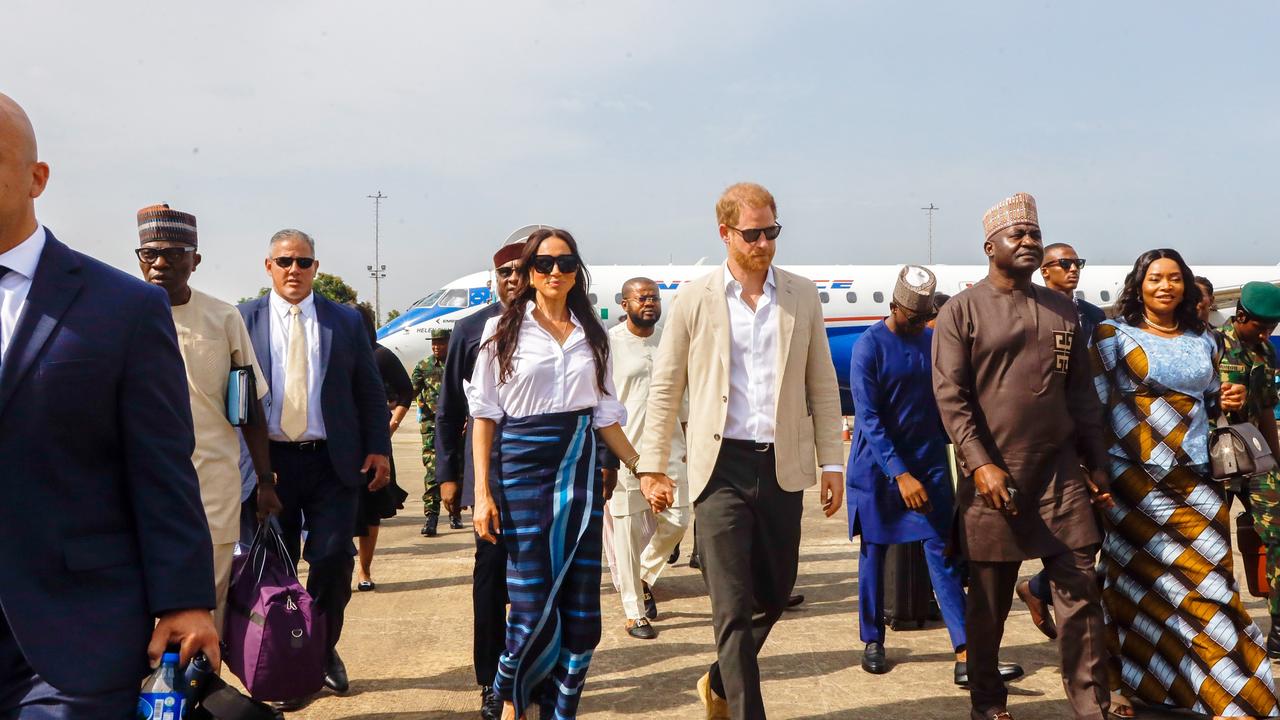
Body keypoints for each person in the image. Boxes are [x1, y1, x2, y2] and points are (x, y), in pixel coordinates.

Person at [0, 92, 219, 717]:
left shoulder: (120, 308)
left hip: (73, 630)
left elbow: (161, 466)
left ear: (37, 177)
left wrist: (184, 598)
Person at [638, 182, 845, 720]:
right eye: (751, 233)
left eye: (770, 231)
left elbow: (821, 383)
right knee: (730, 607)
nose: (763, 243)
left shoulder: (800, 294)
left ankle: (718, 681)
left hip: (780, 466)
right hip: (719, 468)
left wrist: (831, 461)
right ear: (725, 233)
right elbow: (666, 385)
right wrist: (652, 466)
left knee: (774, 596)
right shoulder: (694, 297)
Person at [932, 192, 1114, 720]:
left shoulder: (1063, 310)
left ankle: (1091, 705)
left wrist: (1096, 460)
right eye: (1019, 235)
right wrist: (979, 462)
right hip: (995, 477)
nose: (1030, 242)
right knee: (988, 602)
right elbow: (950, 394)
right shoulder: (962, 311)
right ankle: (988, 702)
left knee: (1080, 594)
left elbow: (1081, 395)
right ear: (990, 246)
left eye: (1035, 234)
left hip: (1060, 475)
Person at [1094, 250, 1277, 719]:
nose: (1165, 286)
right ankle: (1136, 685)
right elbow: (1091, 406)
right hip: (1133, 478)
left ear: (1186, 287)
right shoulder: (1113, 336)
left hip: (1194, 476)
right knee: (1136, 584)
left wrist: (1228, 395)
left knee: (1210, 587)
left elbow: (1214, 396)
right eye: (1156, 278)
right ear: (1139, 284)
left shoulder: (1205, 339)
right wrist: (1091, 470)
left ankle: (1231, 695)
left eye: (1175, 279)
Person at [468, 228, 638, 719]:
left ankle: (558, 710)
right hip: (521, 475)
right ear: (528, 272)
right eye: (544, 264)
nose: (556, 272)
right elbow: (484, 417)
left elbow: (605, 416)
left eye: (566, 263)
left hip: (579, 477)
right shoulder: (500, 331)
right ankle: (509, 699)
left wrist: (642, 468)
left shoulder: (594, 334)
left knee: (582, 616)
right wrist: (483, 493)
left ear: (577, 270)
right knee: (530, 606)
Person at [848, 266, 1023, 686]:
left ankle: (966, 651)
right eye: (912, 315)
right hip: (878, 469)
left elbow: (956, 398)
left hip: (928, 464)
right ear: (893, 306)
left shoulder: (933, 342)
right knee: (875, 553)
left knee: (941, 553)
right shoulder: (868, 347)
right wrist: (900, 475)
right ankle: (873, 640)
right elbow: (868, 420)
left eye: (924, 315)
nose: (918, 323)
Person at [238, 229, 391, 706]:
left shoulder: (343, 321)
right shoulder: (243, 319)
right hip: (271, 465)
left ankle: (322, 650)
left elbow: (368, 388)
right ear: (268, 266)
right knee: (274, 569)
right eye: (284, 261)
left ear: (315, 268)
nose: (294, 270)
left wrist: (380, 447)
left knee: (331, 559)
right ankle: (282, 657)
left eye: (303, 262)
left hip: (332, 462)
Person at [133, 203, 278, 633]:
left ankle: (200, 695)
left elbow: (248, 406)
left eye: (175, 252)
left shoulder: (223, 317)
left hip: (212, 482)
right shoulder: (120, 315)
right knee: (143, 602)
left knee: (208, 600)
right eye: (150, 252)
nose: (161, 263)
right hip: (140, 483)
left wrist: (266, 483)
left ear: (195, 260)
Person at [435, 236, 527, 720]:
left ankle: (532, 673)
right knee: (490, 577)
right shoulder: (472, 330)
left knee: (538, 580)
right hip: (487, 473)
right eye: (505, 272)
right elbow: (449, 409)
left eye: (521, 270)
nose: (514, 280)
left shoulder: (554, 325)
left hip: (543, 470)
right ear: (496, 279)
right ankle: (491, 680)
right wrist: (449, 475)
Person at [1017, 241, 1109, 640]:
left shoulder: (1093, 316)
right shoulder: (1031, 312)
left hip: (1092, 430)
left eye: (1077, 263)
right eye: (1064, 264)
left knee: (1101, 529)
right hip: (1051, 437)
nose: (1073, 270)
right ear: (1044, 271)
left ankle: (1038, 588)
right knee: (1066, 531)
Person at [606, 277, 691, 640]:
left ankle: (642, 574)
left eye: (654, 298)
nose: (650, 304)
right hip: (628, 449)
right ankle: (634, 612)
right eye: (641, 298)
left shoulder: (670, 341)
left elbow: (683, 395)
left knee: (679, 518)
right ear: (624, 304)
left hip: (670, 446)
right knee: (625, 531)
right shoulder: (609, 344)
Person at [1218, 283, 1280, 657]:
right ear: (1240, 316)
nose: (1266, 334)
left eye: (1271, 327)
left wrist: (1277, 459)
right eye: (1260, 326)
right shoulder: (1211, 344)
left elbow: (1268, 413)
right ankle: (1222, 631)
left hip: (1255, 458)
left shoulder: (1265, 352)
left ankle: (1278, 633)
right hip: (1216, 461)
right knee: (1212, 547)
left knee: (1278, 535)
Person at [352, 303, 412, 592]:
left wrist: (393, 424)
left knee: (371, 508)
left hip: (375, 444)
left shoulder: (382, 356)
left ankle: (364, 569)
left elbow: (406, 391)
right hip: (340, 444)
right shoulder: (332, 352)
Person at [412, 328, 454, 536]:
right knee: (432, 472)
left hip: (457, 426)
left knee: (458, 470)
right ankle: (431, 517)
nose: (437, 347)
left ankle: (455, 511)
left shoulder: (459, 363)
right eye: (434, 343)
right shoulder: (423, 367)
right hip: (431, 428)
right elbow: (409, 391)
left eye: (441, 343)